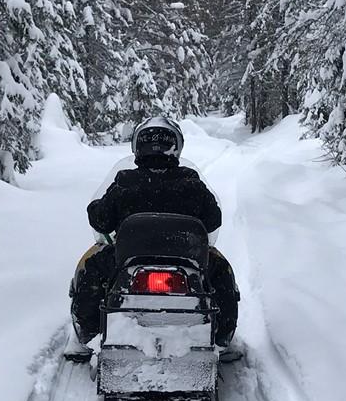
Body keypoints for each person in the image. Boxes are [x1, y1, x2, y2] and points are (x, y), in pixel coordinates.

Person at [69, 116, 239, 350]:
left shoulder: (125, 182)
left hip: (128, 260)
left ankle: (90, 333)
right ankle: (221, 337)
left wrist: (95, 208)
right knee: (220, 273)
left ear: (138, 148)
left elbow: (102, 220)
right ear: (176, 147)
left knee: (91, 269)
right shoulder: (191, 182)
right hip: (187, 260)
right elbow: (213, 219)